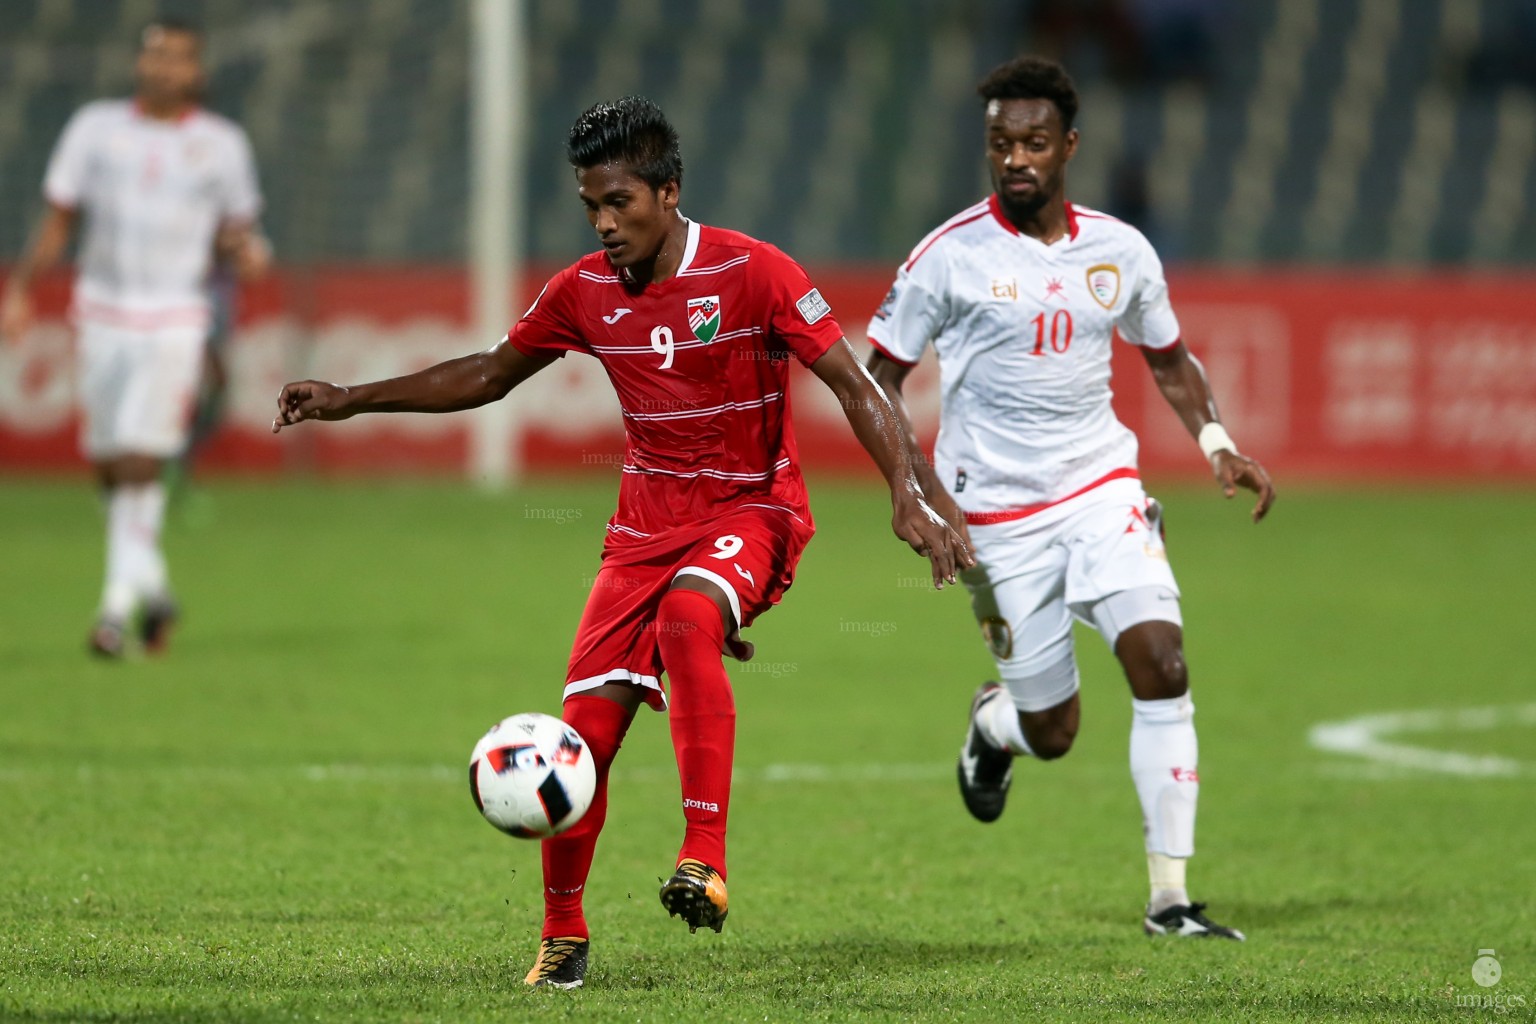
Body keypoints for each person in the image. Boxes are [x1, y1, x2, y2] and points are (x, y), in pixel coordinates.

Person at [272, 96, 970, 989]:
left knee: (688, 621)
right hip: (639, 531)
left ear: (669, 192)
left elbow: (853, 382)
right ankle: (562, 936)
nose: (604, 224)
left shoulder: (754, 271)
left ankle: (703, 857)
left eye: (620, 204)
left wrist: (906, 495)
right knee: (581, 739)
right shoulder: (584, 292)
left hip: (750, 510)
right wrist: (351, 397)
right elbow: (488, 374)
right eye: (590, 208)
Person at [865, 56, 1275, 941]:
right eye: (1000, 143)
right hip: (995, 517)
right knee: (1053, 731)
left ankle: (1171, 900)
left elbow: (1167, 358)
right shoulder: (947, 257)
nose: (1016, 158)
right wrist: (911, 488)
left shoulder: (1120, 252)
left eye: (1034, 142)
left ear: (1069, 148)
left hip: (1100, 489)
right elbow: (876, 381)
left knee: (1162, 662)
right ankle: (994, 725)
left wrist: (1218, 443)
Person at [0, 17, 268, 657]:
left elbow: (245, 240)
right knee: (107, 461)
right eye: (156, 56)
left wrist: (246, 254)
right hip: (101, 312)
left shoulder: (222, 144)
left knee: (142, 459)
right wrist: (20, 289)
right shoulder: (95, 129)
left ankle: (113, 612)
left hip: (176, 313)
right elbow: (60, 218)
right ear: (140, 64)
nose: (165, 68)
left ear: (196, 72)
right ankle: (156, 587)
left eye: (178, 58)